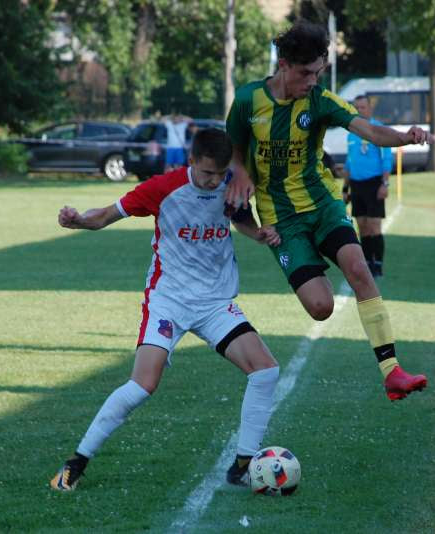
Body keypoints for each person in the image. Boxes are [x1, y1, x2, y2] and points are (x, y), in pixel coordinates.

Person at [50, 128, 282, 491]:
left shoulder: (231, 184)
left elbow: (240, 218)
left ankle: (242, 465)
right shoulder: (162, 188)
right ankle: (76, 462)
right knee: (143, 385)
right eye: (206, 173)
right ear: (190, 161)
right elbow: (107, 215)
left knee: (265, 371)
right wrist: (78, 219)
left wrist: (258, 234)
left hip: (215, 302)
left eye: (220, 174)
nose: (213, 181)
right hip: (169, 300)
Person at [225, 21, 433, 402]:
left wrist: (403, 137)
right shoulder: (247, 101)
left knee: (358, 267)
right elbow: (235, 149)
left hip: (322, 204)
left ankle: (392, 371)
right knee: (320, 307)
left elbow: (367, 130)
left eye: (318, 72)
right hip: (281, 218)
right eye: (306, 73)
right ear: (283, 65)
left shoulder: (320, 100)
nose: (312, 81)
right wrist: (240, 173)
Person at [343, 95, 393, 279]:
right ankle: (368, 264)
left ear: (370, 109)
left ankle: (378, 264)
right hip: (357, 185)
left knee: (374, 226)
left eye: (362, 107)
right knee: (362, 226)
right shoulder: (351, 133)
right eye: (356, 108)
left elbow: (387, 159)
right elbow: (349, 162)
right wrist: (345, 188)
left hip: (374, 184)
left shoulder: (377, 129)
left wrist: (384, 184)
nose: (359, 111)